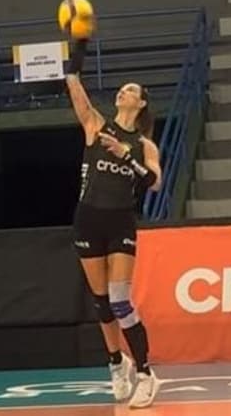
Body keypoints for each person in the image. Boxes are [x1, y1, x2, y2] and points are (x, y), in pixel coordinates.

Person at [64, 34, 162, 409]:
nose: (124, 91)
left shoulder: (144, 144)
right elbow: (74, 85)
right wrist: (80, 47)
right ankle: (115, 361)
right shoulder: (96, 126)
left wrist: (126, 156)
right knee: (101, 301)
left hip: (120, 221)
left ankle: (146, 373)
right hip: (87, 219)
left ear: (142, 102)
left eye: (131, 89)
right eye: (122, 88)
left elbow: (154, 183)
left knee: (121, 300)